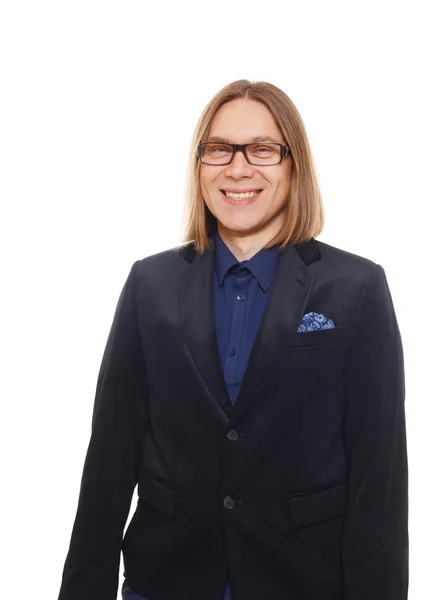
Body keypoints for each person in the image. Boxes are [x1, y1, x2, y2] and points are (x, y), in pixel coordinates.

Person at [57, 79, 408, 600]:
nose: (238, 168)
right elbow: (110, 458)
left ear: (294, 165)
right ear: (200, 166)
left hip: (302, 581)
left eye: (262, 149)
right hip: (167, 579)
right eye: (219, 149)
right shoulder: (148, 285)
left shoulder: (356, 288)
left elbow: (378, 477)